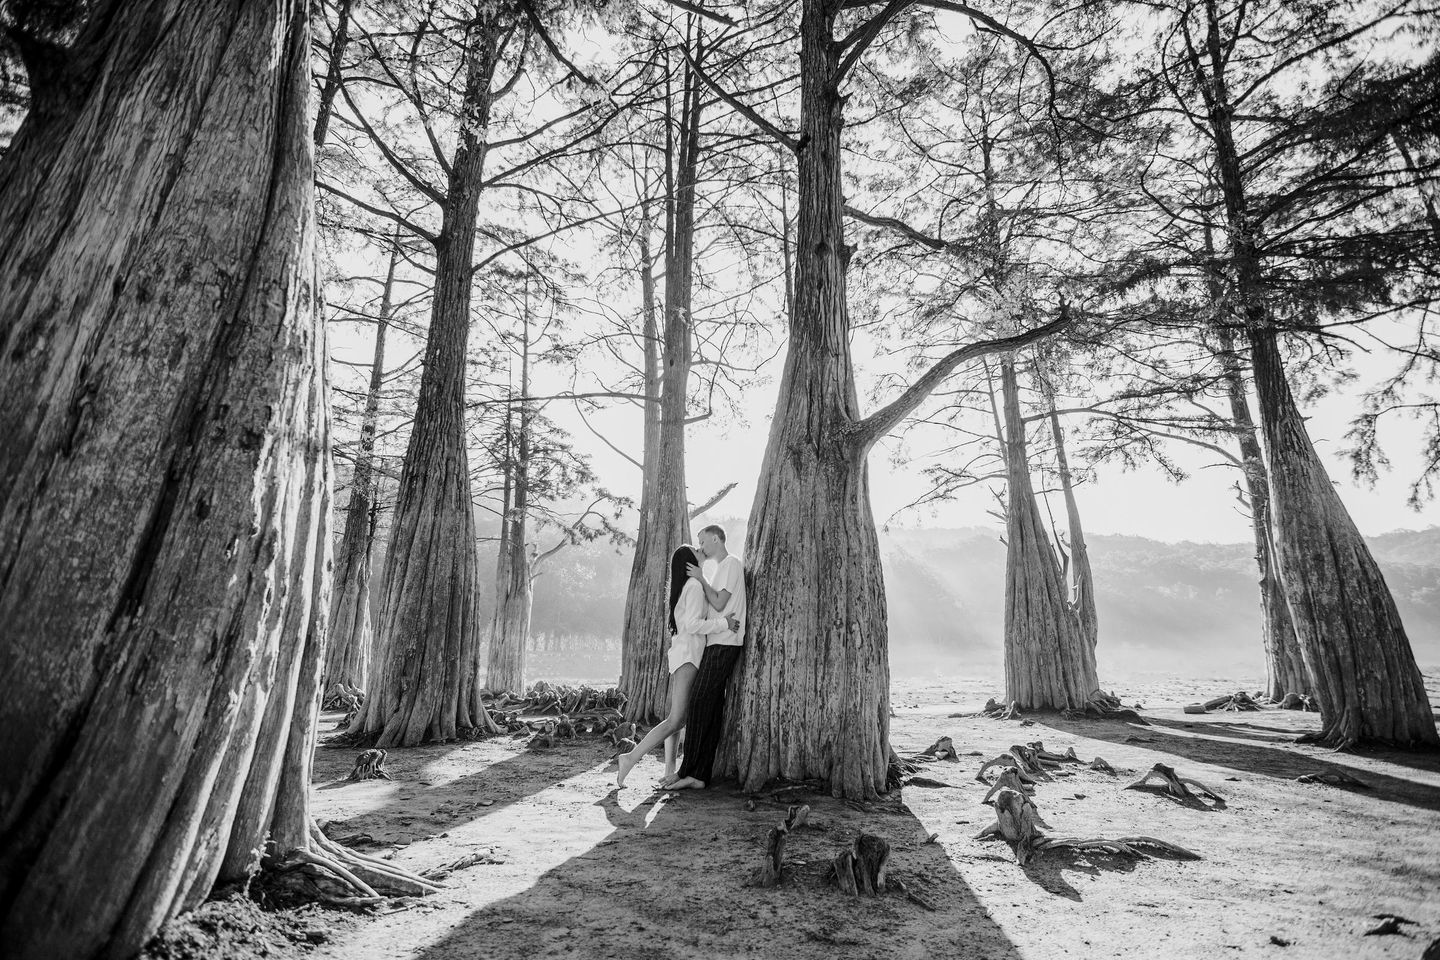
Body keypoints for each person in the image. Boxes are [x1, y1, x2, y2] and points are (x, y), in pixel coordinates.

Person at [616, 545, 737, 788]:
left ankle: (669, 769)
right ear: (689, 562)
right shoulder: (693, 587)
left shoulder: (689, 586)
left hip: (684, 655)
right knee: (676, 719)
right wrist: (724, 624)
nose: (701, 551)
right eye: (696, 550)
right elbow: (692, 625)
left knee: (677, 718)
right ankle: (630, 758)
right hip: (689, 657)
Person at [664, 523, 746, 790]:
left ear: (716, 539)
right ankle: (698, 774)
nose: (700, 547)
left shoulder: (730, 564)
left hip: (725, 642)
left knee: (699, 703)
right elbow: (715, 604)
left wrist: (700, 578)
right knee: (708, 706)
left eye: (702, 541)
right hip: (717, 641)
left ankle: (689, 772)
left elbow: (719, 603)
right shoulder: (720, 569)